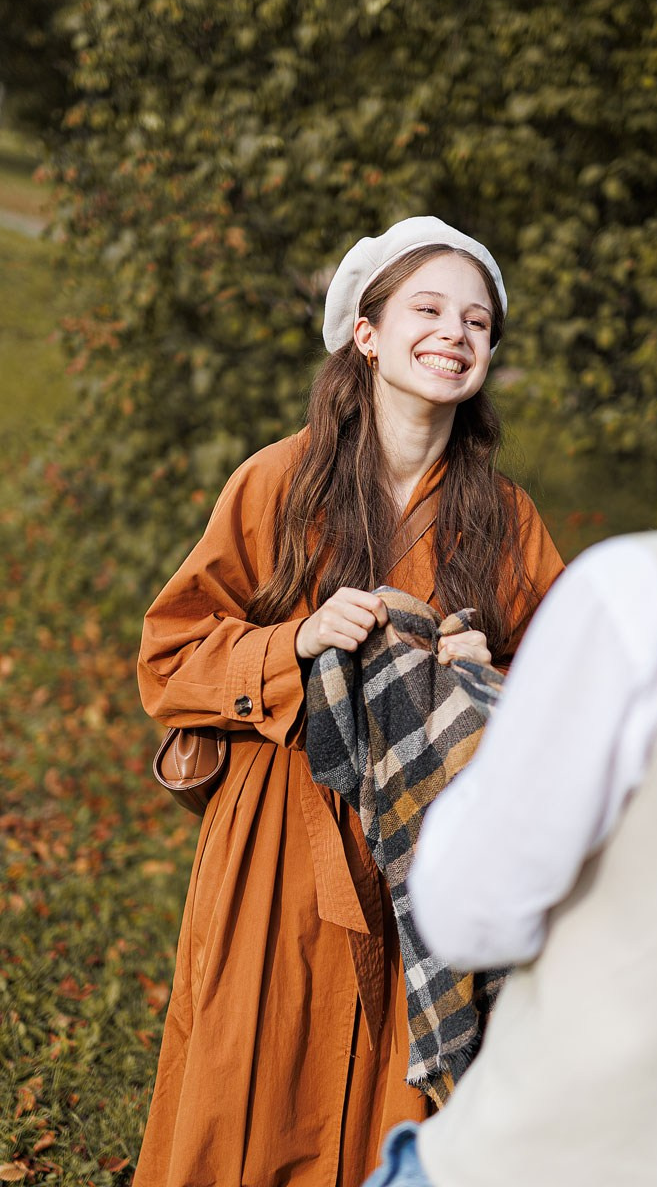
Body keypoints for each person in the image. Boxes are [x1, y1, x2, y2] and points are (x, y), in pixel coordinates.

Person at [363, 220, 657, 1187]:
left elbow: (471, 909)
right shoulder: (281, 481)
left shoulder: (640, 596)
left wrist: (490, 701)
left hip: (580, 1145)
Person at [134, 216, 564, 1187]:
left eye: (477, 320)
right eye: (427, 309)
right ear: (365, 334)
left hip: (424, 852)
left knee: (395, 1103)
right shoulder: (279, 481)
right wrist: (295, 642)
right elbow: (170, 654)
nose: (455, 332)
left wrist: (480, 667)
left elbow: (564, 700)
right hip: (279, 843)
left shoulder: (508, 519)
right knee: (251, 1078)